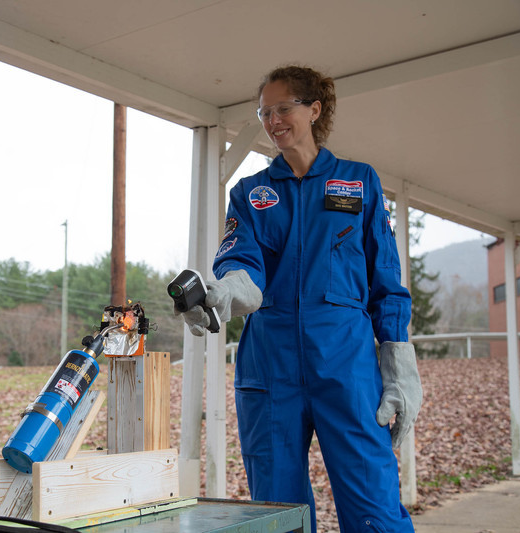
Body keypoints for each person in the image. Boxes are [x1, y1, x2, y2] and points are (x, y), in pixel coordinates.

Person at [179, 65, 422, 532]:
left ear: (314, 109)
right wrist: (230, 290)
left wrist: (399, 365)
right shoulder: (250, 193)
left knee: (374, 500)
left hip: (346, 367)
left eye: (283, 108)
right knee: (276, 513)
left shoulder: (359, 181)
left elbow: (386, 281)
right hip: (271, 370)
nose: (272, 121)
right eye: (264, 112)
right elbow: (241, 262)